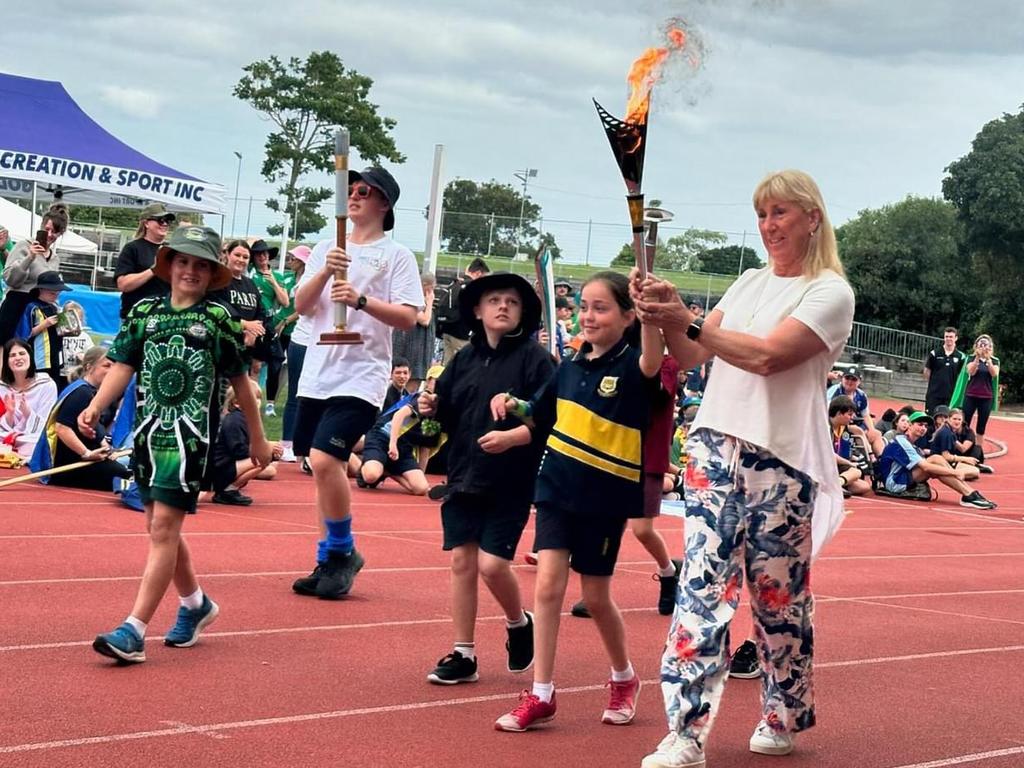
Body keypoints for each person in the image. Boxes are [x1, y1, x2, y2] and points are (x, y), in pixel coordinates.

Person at [634, 170, 855, 766]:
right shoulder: (749, 281)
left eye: (781, 212)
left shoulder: (829, 292)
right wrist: (662, 315)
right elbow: (694, 352)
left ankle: (781, 713)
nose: (769, 226)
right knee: (700, 589)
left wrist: (690, 317)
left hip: (781, 463)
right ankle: (684, 731)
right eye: (762, 214)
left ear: (812, 217)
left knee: (776, 602)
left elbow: (766, 357)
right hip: (714, 450)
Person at [82, 225, 271, 664]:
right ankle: (196, 604)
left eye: (200, 264)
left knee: (164, 528)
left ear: (211, 273)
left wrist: (258, 436)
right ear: (168, 267)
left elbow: (241, 381)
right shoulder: (145, 312)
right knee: (159, 526)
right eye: (182, 261)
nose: (190, 270)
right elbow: (122, 366)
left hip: (189, 439)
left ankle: (134, 630)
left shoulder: (218, 319)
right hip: (149, 434)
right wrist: (95, 405)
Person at [488, 271, 662, 733]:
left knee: (595, 597)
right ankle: (542, 693)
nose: (588, 315)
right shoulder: (568, 367)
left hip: (605, 496)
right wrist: (512, 411)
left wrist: (649, 311)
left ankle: (624, 677)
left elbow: (652, 353)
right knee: (547, 587)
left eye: (600, 307)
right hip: (556, 489)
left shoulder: (634, 366)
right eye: (584, 306)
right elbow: (538, 414)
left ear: (627, 316)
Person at [290, 166, 424, 600]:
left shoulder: (395, 254)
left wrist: (362, 301)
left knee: (326, 460)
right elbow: (301, 306)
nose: (354, 196)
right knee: (317, 466)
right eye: (350, 189)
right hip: (318, 370)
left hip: (361, 374)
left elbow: (408, 315)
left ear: (384, 203)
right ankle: (328, 556)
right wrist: (325, 273)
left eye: (364, 191)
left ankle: (343, 551)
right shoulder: (329, 247)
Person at [416, 272, 554, 687]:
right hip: (463, 473)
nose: (503, 307)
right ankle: (463, 652)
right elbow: (448, 413)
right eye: (494, 299)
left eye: (512, 301)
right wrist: (430, 405)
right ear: (477, 309)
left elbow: (552, 419)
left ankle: (518, 621)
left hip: (511, 478)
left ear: (523, 312)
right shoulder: (465, 358)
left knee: (493, 565)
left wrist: (514, 436)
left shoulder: (536, 360)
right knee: (462, 561)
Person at [33, 346, 132, 491]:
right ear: (89, 367)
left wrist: (106, 448)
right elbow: (61, 428)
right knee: (125, 475)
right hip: (69, 465)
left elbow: (96, 427)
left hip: (88, 458)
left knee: (129, 467)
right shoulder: (81, 392)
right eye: (106, 366)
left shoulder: (97, 394)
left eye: (114, 367)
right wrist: (86, 453)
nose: (112, 371)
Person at [878, 412, 995, 509]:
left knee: (937, 459)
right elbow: (927, 467)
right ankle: (968, 494)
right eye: (920, 424)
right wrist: (955, 472)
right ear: (909, 425)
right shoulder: (902, 442)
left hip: (904, 476)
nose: (923, 428)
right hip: (894, 482)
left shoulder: (913, 444)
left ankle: (969, 493)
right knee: (935, 460)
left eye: (925, 426)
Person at [200, 380, 284, 506]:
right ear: (237, 402)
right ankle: (228, 489)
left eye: (259, 399)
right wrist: (267, 448)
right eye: (254, 398)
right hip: (221, 468)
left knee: (270, 463)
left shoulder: (243, 419)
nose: (258, 402)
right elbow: (238, 450)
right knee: (265, 457)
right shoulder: (235, 420)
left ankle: (230, 487)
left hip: (227, 465)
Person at [0, 203, 69, 343]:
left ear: (60, 233)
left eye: (55, 232)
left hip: (39, 311)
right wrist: (30, 257)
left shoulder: (55, 259)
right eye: (47, 229)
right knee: (7, 350)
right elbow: (10, 280)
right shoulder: (24, 246)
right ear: (42, 226)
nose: (49, 235)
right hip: (17, 305)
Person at [210, 240, 275, 375]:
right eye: (237, 255)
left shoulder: (250, 284)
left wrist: (253, 333)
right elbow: (213, 312)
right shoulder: (217, 281)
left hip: (247, 351)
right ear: (227, 254)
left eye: (245, 257)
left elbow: (261, 312)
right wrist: (244, 325)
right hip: (222, 351)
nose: (241, 260)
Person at [248, 239, 289, 415]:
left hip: (269, 323)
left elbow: (285, 301)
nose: (262, 257)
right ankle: (252, 401)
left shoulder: (278, 276)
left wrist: (273, 282)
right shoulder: (250, 274)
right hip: (255, 320)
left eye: (265, 253)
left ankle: (270, 403)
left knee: (276, 362)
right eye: (258, 254)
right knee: (255, 365)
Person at [114, 203, 175, 320]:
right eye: (160, 220)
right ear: (146, 223)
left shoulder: (172, 251)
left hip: (164, 318)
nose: (165, 224)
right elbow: (123, 284)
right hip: (135, 318)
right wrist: (154, 269)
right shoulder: (132, 248)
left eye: (168, 221)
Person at [0, 338, 58, 460]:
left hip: (32, 437)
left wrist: (28, 413)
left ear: (30, 357)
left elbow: (46, 425)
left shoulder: (46, 384)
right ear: (7, 361)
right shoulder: (2, 387)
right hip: (6, 435)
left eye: (22, 353)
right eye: (12, 355)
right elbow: (3, 427)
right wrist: (9, 413)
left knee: (38, 442)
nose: (18, 358)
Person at [279, 246, 310, 463]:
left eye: (294, 258)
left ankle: (304, 444)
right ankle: (288, 443)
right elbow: (302, 306)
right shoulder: (302, 280)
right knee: (295, 393)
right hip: (301, 341)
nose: (290, 261)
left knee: (311, 395)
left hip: (316, 343)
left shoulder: (313, 278)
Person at [17, 271, 72, 391]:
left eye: (58, 291)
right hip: (39, 360)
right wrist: (45, 325)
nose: (56, 294)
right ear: (41, 289)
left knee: (54, 389)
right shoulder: (32, 307)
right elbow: (23, 335)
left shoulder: (55, 307)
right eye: (53, 291)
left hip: (56, 358)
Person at [437, 258, 490, 364]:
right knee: (464, 367)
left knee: (447, 367)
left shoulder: (455, 284)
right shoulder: (473, 287)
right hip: (462, 335)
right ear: (478, 273)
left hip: (447, 330)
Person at [951, 334, 999, 446]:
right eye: (981, 344)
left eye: (986, 344)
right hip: (971, 395)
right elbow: (971, 371)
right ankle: (962, 446)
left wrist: (988, 359)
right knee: (965, 423)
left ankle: (978, 450)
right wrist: (977, 358)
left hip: (986, 397)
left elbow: (994, 373)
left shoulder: (995, 361)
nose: (983, 347)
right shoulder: (970, 358)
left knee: (981, 426)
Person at [392, 272, 437, 390]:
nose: (432, 292)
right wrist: (430, 301)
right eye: (431, 288)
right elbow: (425, 320)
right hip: (409, 349)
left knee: (414, 387)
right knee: (406, 388)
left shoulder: (422, 301)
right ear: (423, 285)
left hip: (421, 350)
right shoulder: (410, 298)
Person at [826, 366, 884, 455]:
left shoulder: (861, 395)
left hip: (856, 423)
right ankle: (868, 457)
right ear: (842, 379)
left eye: (853, 379)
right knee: (858, 431)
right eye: (847, 378)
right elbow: (827, 411)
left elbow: (865, 415)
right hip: (839, 424)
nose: (850, 381)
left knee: (876, 433)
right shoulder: (834, 391)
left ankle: (881, 459)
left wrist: (871, 429)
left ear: (859, 382)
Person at [829, 395, 873, 496]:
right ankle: (836, 485)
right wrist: (849, 463)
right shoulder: (825, 427)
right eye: (849, 414)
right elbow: (829, 454)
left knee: (864, 486)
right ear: (839, 413)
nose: (852, 417)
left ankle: (837, 483)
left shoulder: (844, 429)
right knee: (855, 471)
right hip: (824, 466)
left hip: (837, 468)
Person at [923, 327, 965, 415]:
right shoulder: (934, 353)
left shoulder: (961, 356)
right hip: (934, 394)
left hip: (951, 395)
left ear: (956, 338)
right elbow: (927, 371)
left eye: (951, 337)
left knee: (948, 420)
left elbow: (962, 376)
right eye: (946, 336)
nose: (948, 339)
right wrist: (934, 385)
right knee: (931, 419)